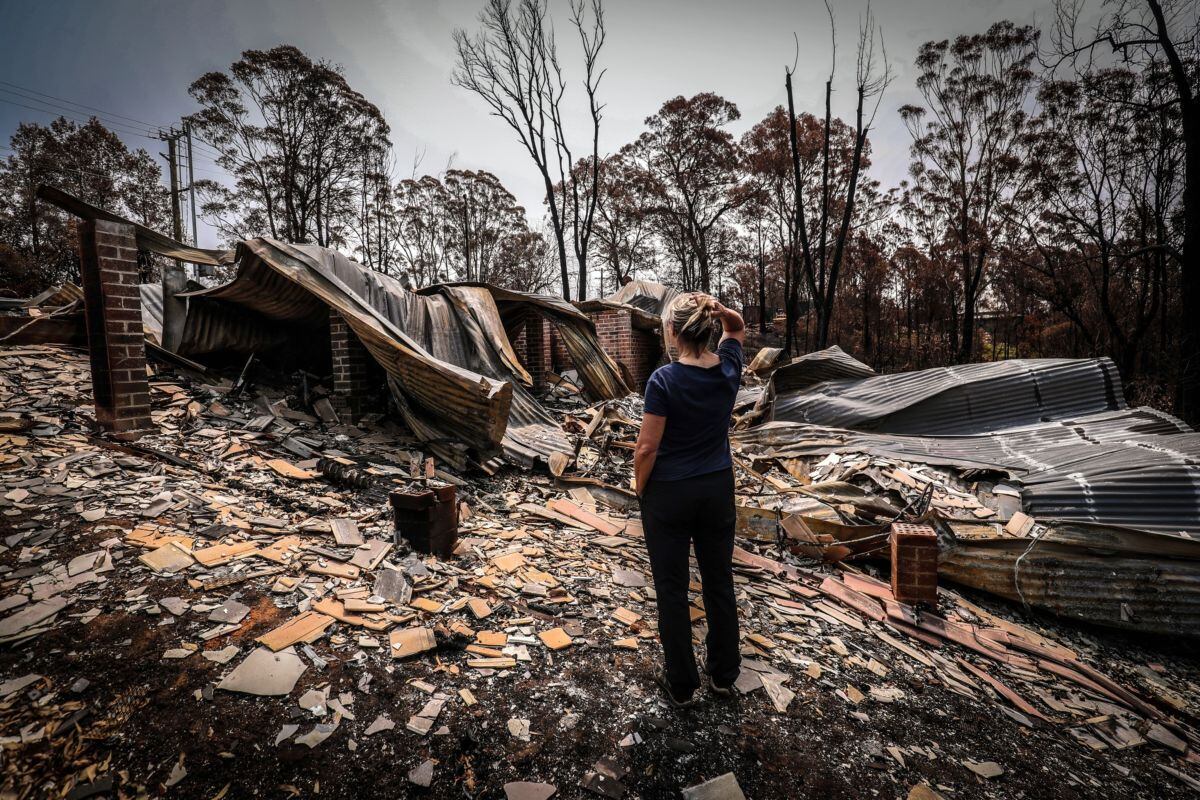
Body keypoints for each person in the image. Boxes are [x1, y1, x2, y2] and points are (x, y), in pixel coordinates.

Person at [634, 292, 745, 707]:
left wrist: (640, 487)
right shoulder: (728, 369)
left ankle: (681, 684)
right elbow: (736, 327)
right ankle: (723, 675)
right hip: (716, 487)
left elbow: (647, 449)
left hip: (671, 493)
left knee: (672, 587)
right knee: (719, 581)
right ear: (708, 327)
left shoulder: (663, 380)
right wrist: (720, 309)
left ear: (673, 332)